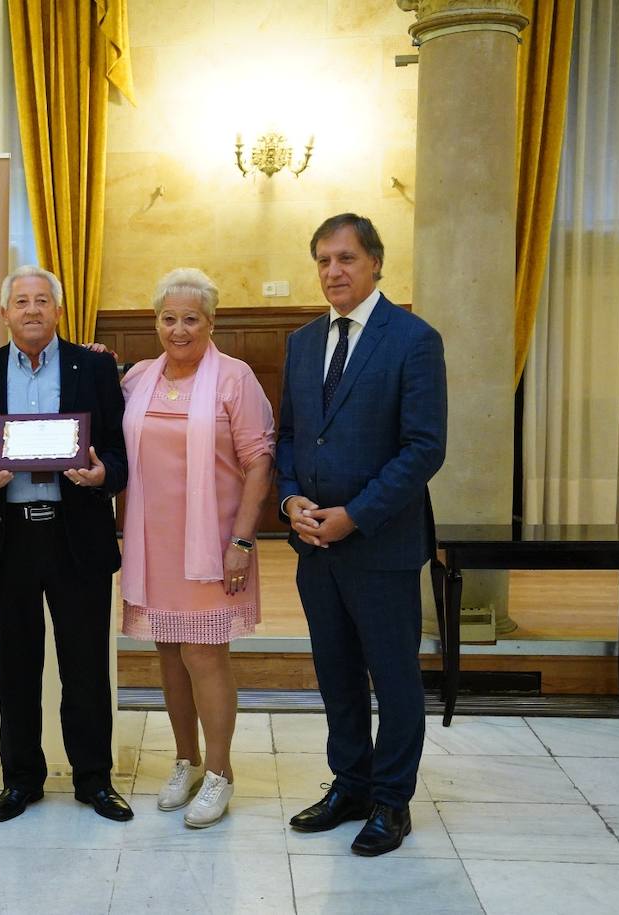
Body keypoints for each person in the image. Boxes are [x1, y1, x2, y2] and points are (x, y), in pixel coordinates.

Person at [276, 214, 447, 856]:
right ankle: (349, 784)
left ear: (375, 262)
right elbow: (291, 436)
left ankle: (391, 800)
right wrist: (291, 498)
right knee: (337, 673)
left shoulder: (413, 339)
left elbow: (424, 448)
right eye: (322, 260)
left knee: (393, 676)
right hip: (313, 545)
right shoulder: (300, 342)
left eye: (345, 258)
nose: (332, 272)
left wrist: (355, 514)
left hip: (380, 543)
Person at [0, 265, 133, 823]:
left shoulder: (94, 367)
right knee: (16, 668)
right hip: (9, 537)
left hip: (78, 538)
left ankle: (94, 779)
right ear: (5, 313)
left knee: (86, 667)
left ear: (58, 310)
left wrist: (104, 476)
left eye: (42, 300)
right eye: (21, 301)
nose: (31, 310)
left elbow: (120, 453)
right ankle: (21, 778)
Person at [119, 267, 274, 828]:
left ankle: (220, 772)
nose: (178, 329)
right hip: (152, 545)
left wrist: (242, 540)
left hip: (212, 544)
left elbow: (259, 461)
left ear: (211, 322)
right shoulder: (138, 377)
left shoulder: (235, 378)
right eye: (168, 318)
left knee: (205, 654)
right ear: (155, 322)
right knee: (167, 653)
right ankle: (183, 760)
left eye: (190, 318)